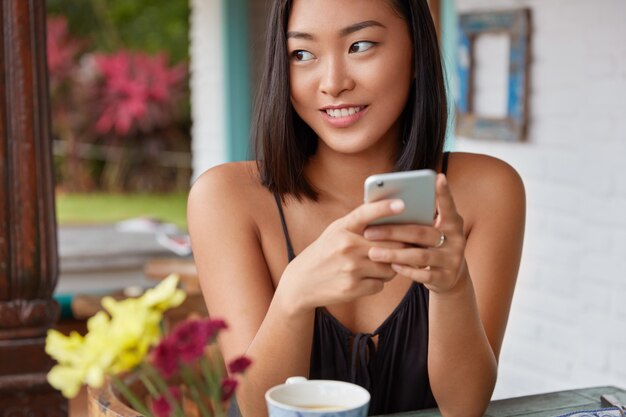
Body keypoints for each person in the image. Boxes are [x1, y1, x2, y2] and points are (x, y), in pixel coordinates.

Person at [187, 0, 525, 416]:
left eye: (361, 45)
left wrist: (452, 287)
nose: (332, 83)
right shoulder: (226, 198)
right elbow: (258, 410)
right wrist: (294, 295)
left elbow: (465, 407)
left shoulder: (487, 191)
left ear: (418, 53)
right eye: (303, 54)